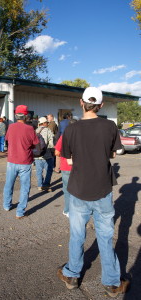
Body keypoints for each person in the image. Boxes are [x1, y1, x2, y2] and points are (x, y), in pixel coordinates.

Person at [57, 87, 130, 297]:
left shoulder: (71, 128)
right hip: (102, 189)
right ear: (100, 105)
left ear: (81, 102)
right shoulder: (109, 126)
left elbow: (68, 160)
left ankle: (72, 275)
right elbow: (114, 155)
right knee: (105, 236)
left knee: (77, 235)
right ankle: (112, 284)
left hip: (78, 188)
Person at [3, 105, 39, 219]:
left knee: (9, 184)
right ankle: (20, 212)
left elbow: (7, 140)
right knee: (25, 187)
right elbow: (35, 144)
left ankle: (6, 205)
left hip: (12, 160)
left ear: (16, 115)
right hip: (25, 161)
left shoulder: (11, 127)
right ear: (26, 115)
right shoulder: (30, 129)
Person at [54, 119, 77, 217]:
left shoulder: (64, 136)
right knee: (78, 189)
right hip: (79, 167)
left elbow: (56, 152)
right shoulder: (82, 137)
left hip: (66, 166)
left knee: (67, 190)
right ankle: (78, 209)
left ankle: (68, 210)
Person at [35, 117, 54, 192]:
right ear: (43, 123)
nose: (47, 124)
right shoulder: (47, 130)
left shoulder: (35, 131)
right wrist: (52, 151)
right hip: (47, 154)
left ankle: (40, 185)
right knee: (49, 170)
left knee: (39, 171)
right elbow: (51, 142)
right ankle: (46, 185)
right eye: (46, 122)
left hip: (37, 155)